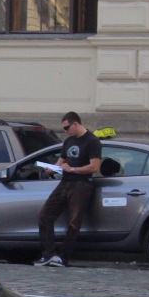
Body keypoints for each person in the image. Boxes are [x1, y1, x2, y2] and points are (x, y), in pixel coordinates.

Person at [35, 111, 102, 267]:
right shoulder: (69, 141)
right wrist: (52, 169)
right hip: (65, 182)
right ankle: (48, 254)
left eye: (66, 128)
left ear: (75, 124)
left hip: (81, 184)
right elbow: (61, 161)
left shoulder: (92, 141)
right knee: (44, 215)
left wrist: (72, 169)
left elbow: (94, 167)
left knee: (74, 222)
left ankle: (63, 257)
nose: (65, 132)